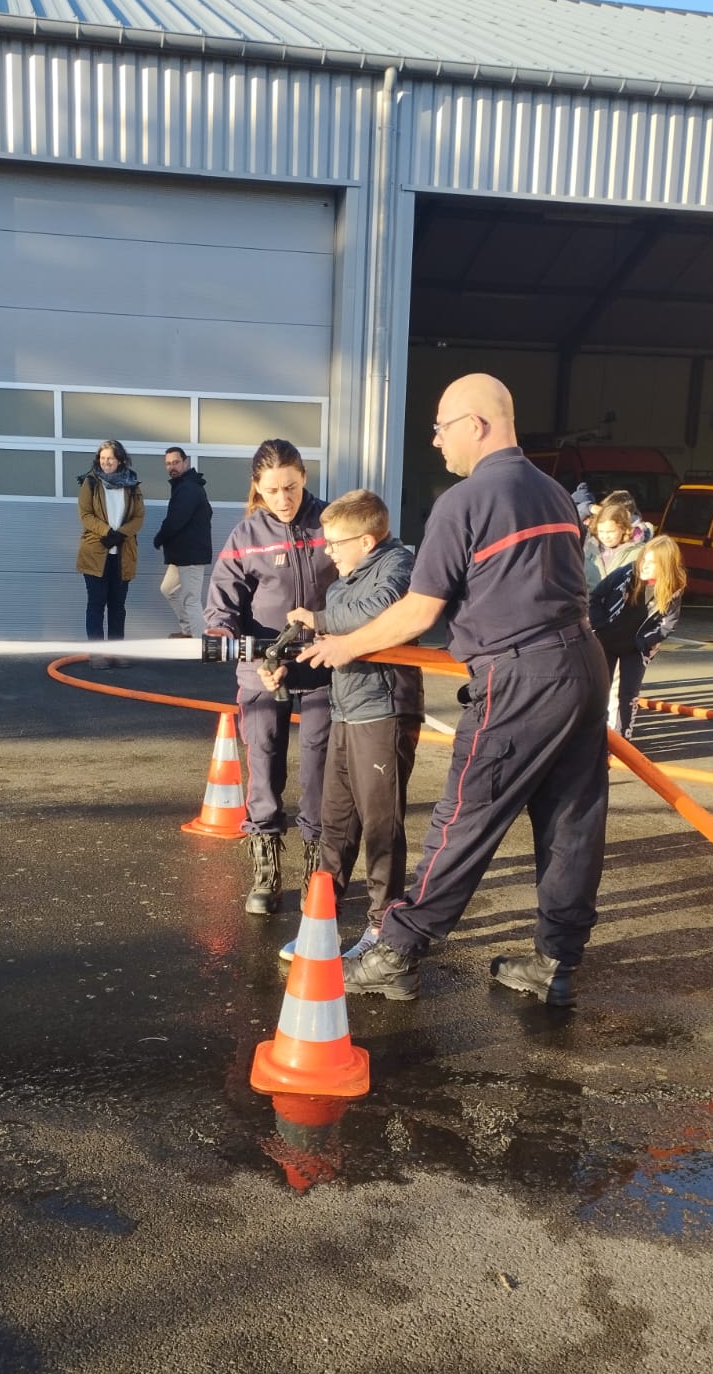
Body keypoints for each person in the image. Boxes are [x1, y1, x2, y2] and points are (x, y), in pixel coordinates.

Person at [299, 374, 610, 1008]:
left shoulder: (464, 502)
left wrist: (344, 645)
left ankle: (396, 952)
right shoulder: (553, 492)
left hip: (518, 678)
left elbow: (420, 609)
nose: (437, 441)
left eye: (441, 428)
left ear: (477, 425)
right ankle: (555, 961)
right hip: (582, 664)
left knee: (465, 815)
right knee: (572, 818)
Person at [265, 490, 424, 964]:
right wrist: (287, 670)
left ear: (368, 541)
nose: (328, 551)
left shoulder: (399, 569)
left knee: (381, 828)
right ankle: (321, 924)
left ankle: (382, 930)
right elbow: (332, 651)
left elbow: (377, 612)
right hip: (345, 711)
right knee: (334, 826)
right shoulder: (340, 586)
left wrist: (316, 617)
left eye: (335, 543)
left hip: (384, 713)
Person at [203, 439, 334, 915]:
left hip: (322, 663)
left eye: (292, 487)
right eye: (273, 490)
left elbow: (359, 581)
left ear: (304, 478)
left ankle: (320, 872)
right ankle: (266, 871)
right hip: (263, 665)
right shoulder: (246, 535)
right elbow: (223, 602)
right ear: (257, 487)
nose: (284, 499)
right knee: (264, 764)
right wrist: (226, 635)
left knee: (320, 769)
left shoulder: (330, 523)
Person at [589, 534, 686, 740]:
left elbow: (668, 625)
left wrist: (643, 642)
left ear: (665, 566)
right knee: (600, 689)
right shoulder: (627, 573)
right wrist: (600, 626)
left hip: (635, 648)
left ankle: (623, 739)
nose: (644, 565)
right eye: (644, 559)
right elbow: (595, 596)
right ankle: (593, 737)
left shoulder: (673, 587)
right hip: (606, 640)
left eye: (652, 563)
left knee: (628, 694)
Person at [76, 440, 144, 664]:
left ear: (120, 461)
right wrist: (106, 532)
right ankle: (97, 655)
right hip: (96, 554)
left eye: (110, 458)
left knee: (117, 606)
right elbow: (85, 515)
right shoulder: (91, 482)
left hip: (122, 555)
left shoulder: (132, 485)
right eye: (102, 458)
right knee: (96, 605)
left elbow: (138, 517)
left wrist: (121, 534)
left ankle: (116, 652)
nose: (106, 462)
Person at [154, 447, 213, 638]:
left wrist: (160, 537)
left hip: (191, 555)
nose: (172, 467)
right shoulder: (185, 486)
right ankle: (188, 631)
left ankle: (200, 643)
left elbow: (175, 520)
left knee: (191, 599)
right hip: (181, 555)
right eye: (168, 464)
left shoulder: (188, 488)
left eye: (176, 462)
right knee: (169, 589)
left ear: (185, 462)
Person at [583, 497, 643, 591]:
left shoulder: (636, 552)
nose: (605, 536)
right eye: (601, 531)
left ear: (624, 529)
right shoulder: (589, 549)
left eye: (610, 532)